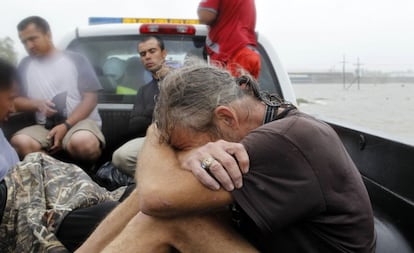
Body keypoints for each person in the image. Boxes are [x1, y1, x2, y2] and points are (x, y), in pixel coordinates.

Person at [77, 62, 376, 252]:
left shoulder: (285, 141)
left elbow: (157, 199)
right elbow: (152, 191)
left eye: (187, 147)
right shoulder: (266, 119)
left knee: (164, 220)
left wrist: (155, 133)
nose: (187, 158)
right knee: (153, 196)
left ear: (226, 118)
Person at [0, 58, 128, 252]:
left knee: (129, 196)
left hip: (40, 191)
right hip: (22, 207)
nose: (12, 108)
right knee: (115, 214)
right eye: (10, 98)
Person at [10, 16, 104, 164]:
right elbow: (13, 101)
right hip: (44, 127)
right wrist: (36, 104)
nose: (29, 46)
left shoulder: (76, 60)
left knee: (83, 143)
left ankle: (87, 174)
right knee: (19, 142)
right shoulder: (25, 65)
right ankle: (59, 173)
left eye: (33, 39)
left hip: (79, 124)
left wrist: (66, 125)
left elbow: (91, 99)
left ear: (48, 34)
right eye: (24, 42)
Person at [111, 35, 170, 177]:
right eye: (143, 54)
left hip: (185, 138)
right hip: (154, 139)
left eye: (152, 51)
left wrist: (147, 114)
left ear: (164, 53)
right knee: (121, 156)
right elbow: (134, 125)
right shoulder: (144, 90)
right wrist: (156, 111)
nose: (147, 57)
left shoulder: (183, 79)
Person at [198, 0, 261, 79]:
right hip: (249, 52)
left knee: (228, 90)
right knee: (246, 90)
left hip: (233, 54)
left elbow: (206, 15)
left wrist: (201, 10)